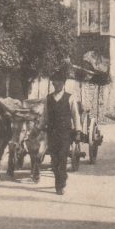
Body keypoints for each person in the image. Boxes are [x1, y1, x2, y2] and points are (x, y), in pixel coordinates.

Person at [40, 67, 82, 195]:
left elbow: (75, 115)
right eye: (54, 82)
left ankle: (60, 185)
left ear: (63, 83)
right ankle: (61, 179)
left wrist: (78, 132)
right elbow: (45, 115)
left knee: (63, 158)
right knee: (54, 160)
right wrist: (42, 127)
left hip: (65, 134)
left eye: (59, 82)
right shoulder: (48, 98)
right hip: (52, 133)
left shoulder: (70, 98)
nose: (56, 84)